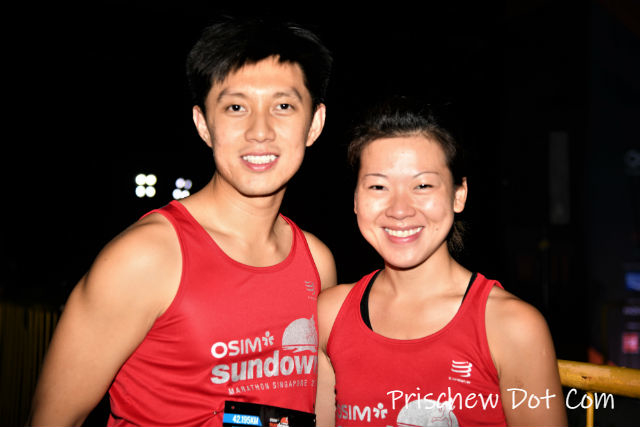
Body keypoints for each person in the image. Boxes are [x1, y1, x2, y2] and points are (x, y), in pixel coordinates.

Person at [30, 16, 336, 427]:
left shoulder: (316, 262)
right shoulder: (145, 258)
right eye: (236, 107)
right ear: (203, 124)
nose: (260, 131)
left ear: (314, 124)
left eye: (283, 106)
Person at [316, 96, 567, 426]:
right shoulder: (329, 316)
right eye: (378, 186)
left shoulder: (512, 327)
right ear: (355, 200)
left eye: (422, 185)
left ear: (458, 195)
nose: (400, 209)